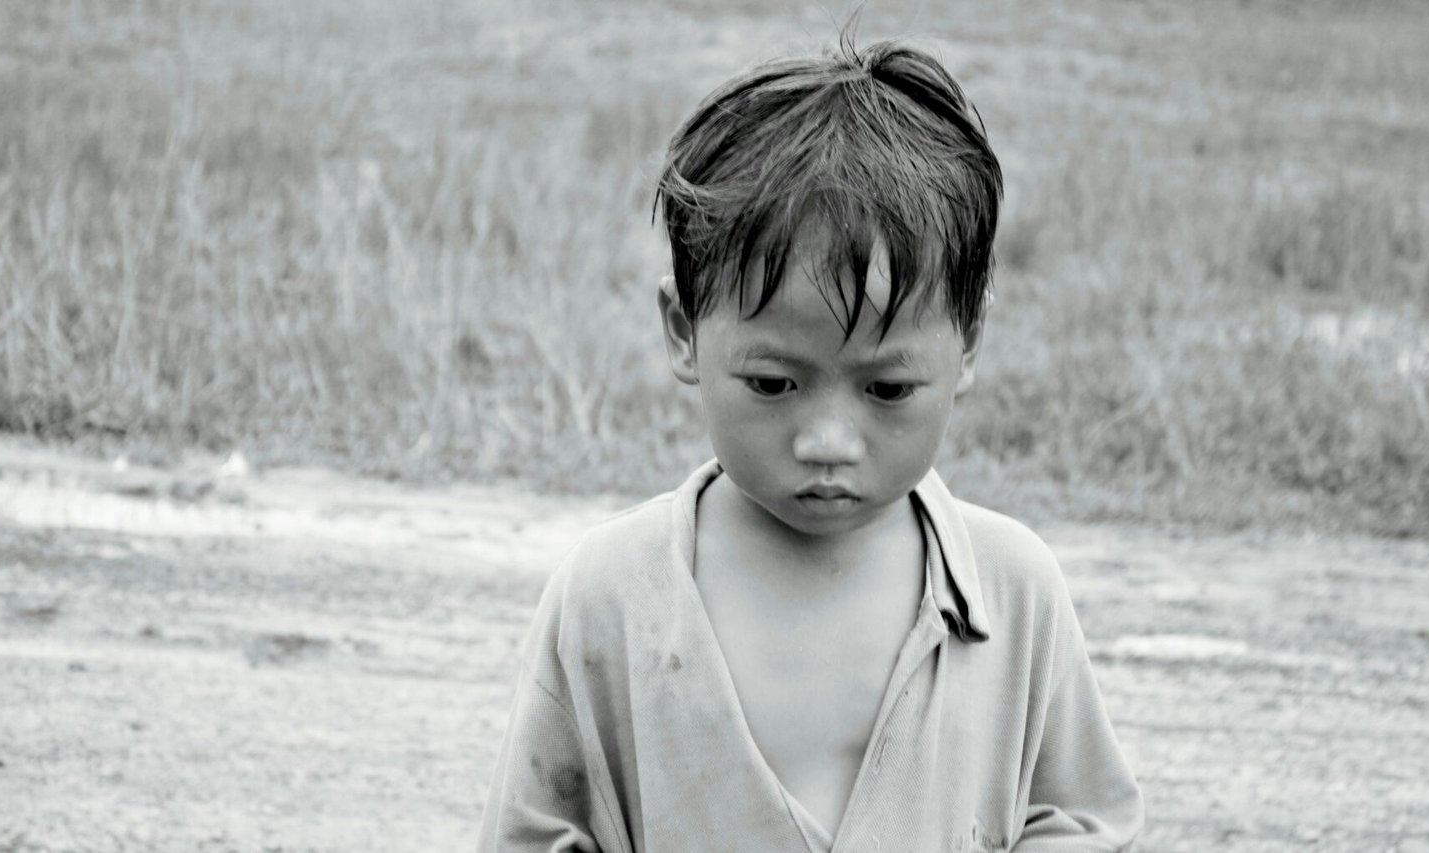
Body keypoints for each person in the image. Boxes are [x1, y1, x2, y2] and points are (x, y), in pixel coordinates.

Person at [478, 35, 1143, 852]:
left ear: (968, 342)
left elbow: (1082, 820)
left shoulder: (1012, 594)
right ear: (683, 331)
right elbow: (535, 830)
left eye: (887, 389)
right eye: (772, 384)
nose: (828, 441)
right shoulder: (611, 595)